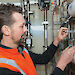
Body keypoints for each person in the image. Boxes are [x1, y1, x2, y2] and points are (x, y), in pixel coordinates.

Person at [0, 3, 68, 75]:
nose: (26, 29)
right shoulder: (3, 68)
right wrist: (62, 64)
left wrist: (57, 40)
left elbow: (43, 59)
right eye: (21, 26)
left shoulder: (20, 50)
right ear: (6, 30)